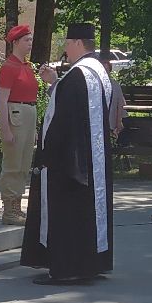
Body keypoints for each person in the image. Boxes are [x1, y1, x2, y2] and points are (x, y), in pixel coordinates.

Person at [22, 23, 113, 286]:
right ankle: (91, 263)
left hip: (70, 162)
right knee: (88, 214)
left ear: (76, 43)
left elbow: (65, 121)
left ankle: (67, 267)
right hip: (93, 159)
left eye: (66, 43)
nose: (64, 49)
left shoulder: (76, 76)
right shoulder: (98, 72)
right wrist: (55, 84)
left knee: (66, 212)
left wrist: (47, 155)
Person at [0, 25, 37, 225]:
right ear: (15, 43)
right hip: (16, 114)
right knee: (13, 163)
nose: (30, 43)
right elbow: (2, 100)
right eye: (26, 40)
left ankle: (17, 206)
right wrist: (4, 129)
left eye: (30, 40)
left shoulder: (26, 66)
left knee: (23, 163)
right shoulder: (9, 67)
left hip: (28, 113)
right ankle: (9, 209)